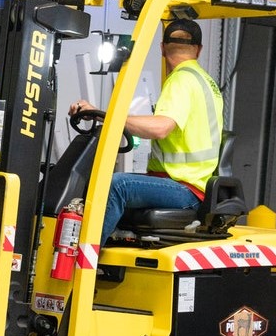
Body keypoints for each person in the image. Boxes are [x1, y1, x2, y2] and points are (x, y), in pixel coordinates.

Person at [69, 18, 223, 245]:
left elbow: (161, 127)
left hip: (185, 189)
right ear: (198, 50)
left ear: (162, 48)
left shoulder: (181, 80)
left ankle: (83, 263)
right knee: (109, 182)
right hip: (190, 185)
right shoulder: (205, 81)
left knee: (116, 185)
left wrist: (110, 116)